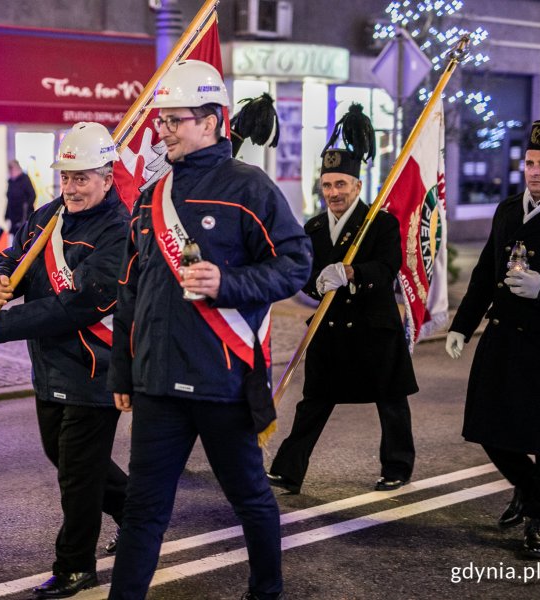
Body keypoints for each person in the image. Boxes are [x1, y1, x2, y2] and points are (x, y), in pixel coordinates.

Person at [107, 60, 312, 600]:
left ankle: (266, 592)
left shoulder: (250, 186)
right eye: (162, 120)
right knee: (144, 509)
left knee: (249, 498)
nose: (163, 130)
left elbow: (295, 265)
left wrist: (230, 283)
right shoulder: (151, 195)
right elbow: (130, 291)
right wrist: (123, 370)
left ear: (212, 120)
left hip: (222, 380)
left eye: (175, 120)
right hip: (155, 385)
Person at [0, 122, 129, 599]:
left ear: (106, 176)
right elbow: (14, 258)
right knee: (67, 460)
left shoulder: (119, 232)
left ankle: (75, 566)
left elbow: (78, 305)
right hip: (48, 368)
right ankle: (139, 513)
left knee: (78, 477)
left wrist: (0, 326)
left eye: (81, 178)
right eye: (66, 178)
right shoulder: (46, 216)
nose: (71, 188)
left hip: (94, 369)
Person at [267, 104, 417, 496]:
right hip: (330, 329)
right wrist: (317, 285)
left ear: (357, 186)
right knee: (313, 402)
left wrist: (353, 273)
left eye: (341, 185)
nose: (334, 193)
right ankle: (288, 469)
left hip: (373, 327)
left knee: (391, 402)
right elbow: (305, 277)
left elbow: (388, 268)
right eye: (328, 185)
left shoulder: (380, 223)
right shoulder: (314, 228)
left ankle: (397, 467)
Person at [445, 115, 540, 559]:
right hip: (504, 339)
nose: (533, 171)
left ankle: (539, 520)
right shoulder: (507, 209)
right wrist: (462, 324)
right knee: (488, 427)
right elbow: (483, 276)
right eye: (529, 162)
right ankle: (530, 488)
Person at [5, 159, 36, 239]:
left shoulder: (25, 179)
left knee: (24, 237)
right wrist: (6, 214)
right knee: (15, 238)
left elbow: (32, 195)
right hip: (13, 216)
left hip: (24, 215)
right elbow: (9, 199)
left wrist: (26, 206)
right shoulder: (11, 181)